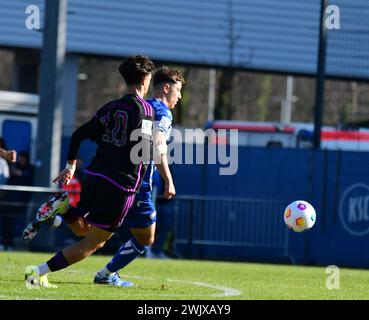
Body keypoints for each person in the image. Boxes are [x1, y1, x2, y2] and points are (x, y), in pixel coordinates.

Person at [25, 54, 155, 287]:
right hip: (120, 184)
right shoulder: (146, 110)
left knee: (83, 232)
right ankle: (37, 273)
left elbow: (78, 134)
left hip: (94, 176)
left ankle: (65, 209)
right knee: (93, 243)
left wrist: (70, 167)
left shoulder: (111, 108)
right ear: (145, 79)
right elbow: (143, 154)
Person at [93, 67, 185, 286]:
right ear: (166, 88)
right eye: (178, 90)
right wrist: (169, 179)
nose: (180, 96)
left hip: (113, 175)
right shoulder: (162, 112)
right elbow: (157, 144)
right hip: (139, 182)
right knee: (146, 237)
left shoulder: (141, 106)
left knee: (95, 229)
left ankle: (62, 214)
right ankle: (106, 274)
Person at [3, 151, 33, 250]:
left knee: (16, 224)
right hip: (9, 201)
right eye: (19, 158)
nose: (20, 160)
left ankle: (13, 244)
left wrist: (21, 175)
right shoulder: (13, 168)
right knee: (7, 222)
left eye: (22, 158)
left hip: (22, 202)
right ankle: (5, 243)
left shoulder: (30, 169)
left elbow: (28, 181)